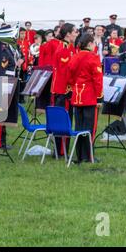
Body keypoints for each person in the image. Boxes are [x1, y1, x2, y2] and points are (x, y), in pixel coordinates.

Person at [67, 34, 103, 163]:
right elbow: (97, 79)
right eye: (93, 43)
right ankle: (88, 156)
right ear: (89, 44)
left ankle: (80, 155)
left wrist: (74, 86)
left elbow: (70, 76)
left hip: (77, 96)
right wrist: (99, 97)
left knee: (79, 127)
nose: (95, 46)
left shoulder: (74, 57)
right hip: (89, 96)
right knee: (90, 128)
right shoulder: (93, 57)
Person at [51, 23, 78, 156]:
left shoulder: (69, 48)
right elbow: (66, 73)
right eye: (74, 32)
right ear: (68, 34)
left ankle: (62, 150)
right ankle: (61, 151)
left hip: (66, 91)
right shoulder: (63, 50)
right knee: (64, 122)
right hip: (64, 92)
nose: (76, 34)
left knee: (65, 121)